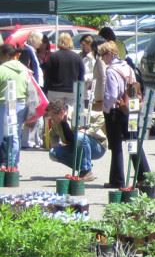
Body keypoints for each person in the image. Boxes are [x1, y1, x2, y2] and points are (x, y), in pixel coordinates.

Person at [99, 41, 137, 189]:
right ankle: (143, 175)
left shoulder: (111, 71)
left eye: (103, 55)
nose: (102, 59)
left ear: (109, 54)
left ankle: (118, 180)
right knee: (133, 142)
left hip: (116, 111)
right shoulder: (127, 67)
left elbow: (111, 95)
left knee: (116, 146)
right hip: (131, 109)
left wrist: (105, 109)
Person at [0, 43, 38, 169]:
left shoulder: (2, 68)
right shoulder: (24, 69)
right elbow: (31, 89)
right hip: (21, 103)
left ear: (5, 55)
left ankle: (4, 163)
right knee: (15, 134)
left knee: (3, 133)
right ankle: (14, 163)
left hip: (4, 103)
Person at [45, 99, 103, 180]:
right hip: (76, 147)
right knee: (53, 153)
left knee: (79, 136)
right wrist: (56, 145)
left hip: (97, 146)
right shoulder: (56, 122)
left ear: (61, 112)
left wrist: (89, 131)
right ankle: (84, 166)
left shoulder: (77, 113)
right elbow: (53, 135)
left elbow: (101, 117)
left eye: (53, 116)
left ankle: (87, 171)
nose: (51, 118)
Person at [42, 34, 85, 119]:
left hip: (55, 91)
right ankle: (67, 130)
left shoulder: (53, 56)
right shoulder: (77, 57)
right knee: (68, 116)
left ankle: (55, 131)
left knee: (54, 116)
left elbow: (47, 75)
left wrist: (45, 90)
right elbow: (81, 76)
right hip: (72, 91)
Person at [79, 35, 97, 109]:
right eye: (82, 45)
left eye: (84, 45)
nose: (82, 47)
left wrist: (84, 77)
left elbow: (95, 74)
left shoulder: (92, 58)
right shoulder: (81, 55)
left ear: (89, 45)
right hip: (80, 89)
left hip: (88, 91)